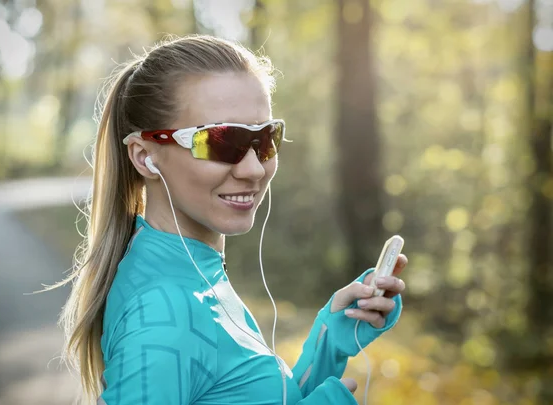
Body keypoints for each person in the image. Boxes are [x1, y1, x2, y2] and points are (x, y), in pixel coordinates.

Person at [55, 34, 407, 405]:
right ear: (145, 157)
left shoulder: (192, 268)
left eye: (266, 138)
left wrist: (331, 337)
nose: (254, 168)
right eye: (221, 141)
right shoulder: (162, 311)